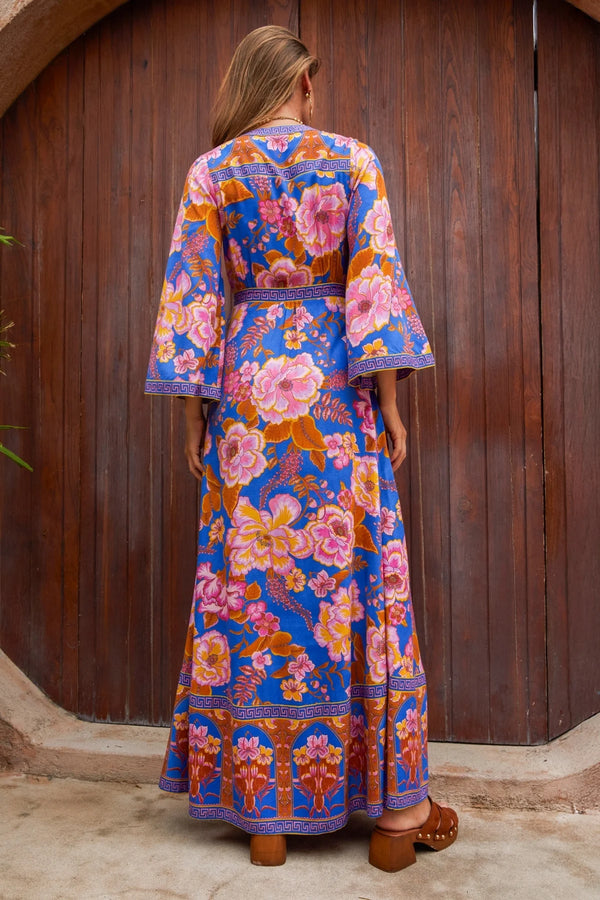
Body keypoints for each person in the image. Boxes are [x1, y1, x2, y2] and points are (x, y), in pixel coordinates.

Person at [145, 24, 458, 871]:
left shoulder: (213, 173)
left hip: (247, 402)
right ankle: (397, 817)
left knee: (250, 587)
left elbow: (194, 302)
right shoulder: (354, 162)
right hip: (334, 398)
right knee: (354, 579)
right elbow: (374, 287)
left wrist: (195, 418)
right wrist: (390, 407)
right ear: (306, 84)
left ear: (247, 86)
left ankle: (267, 820)